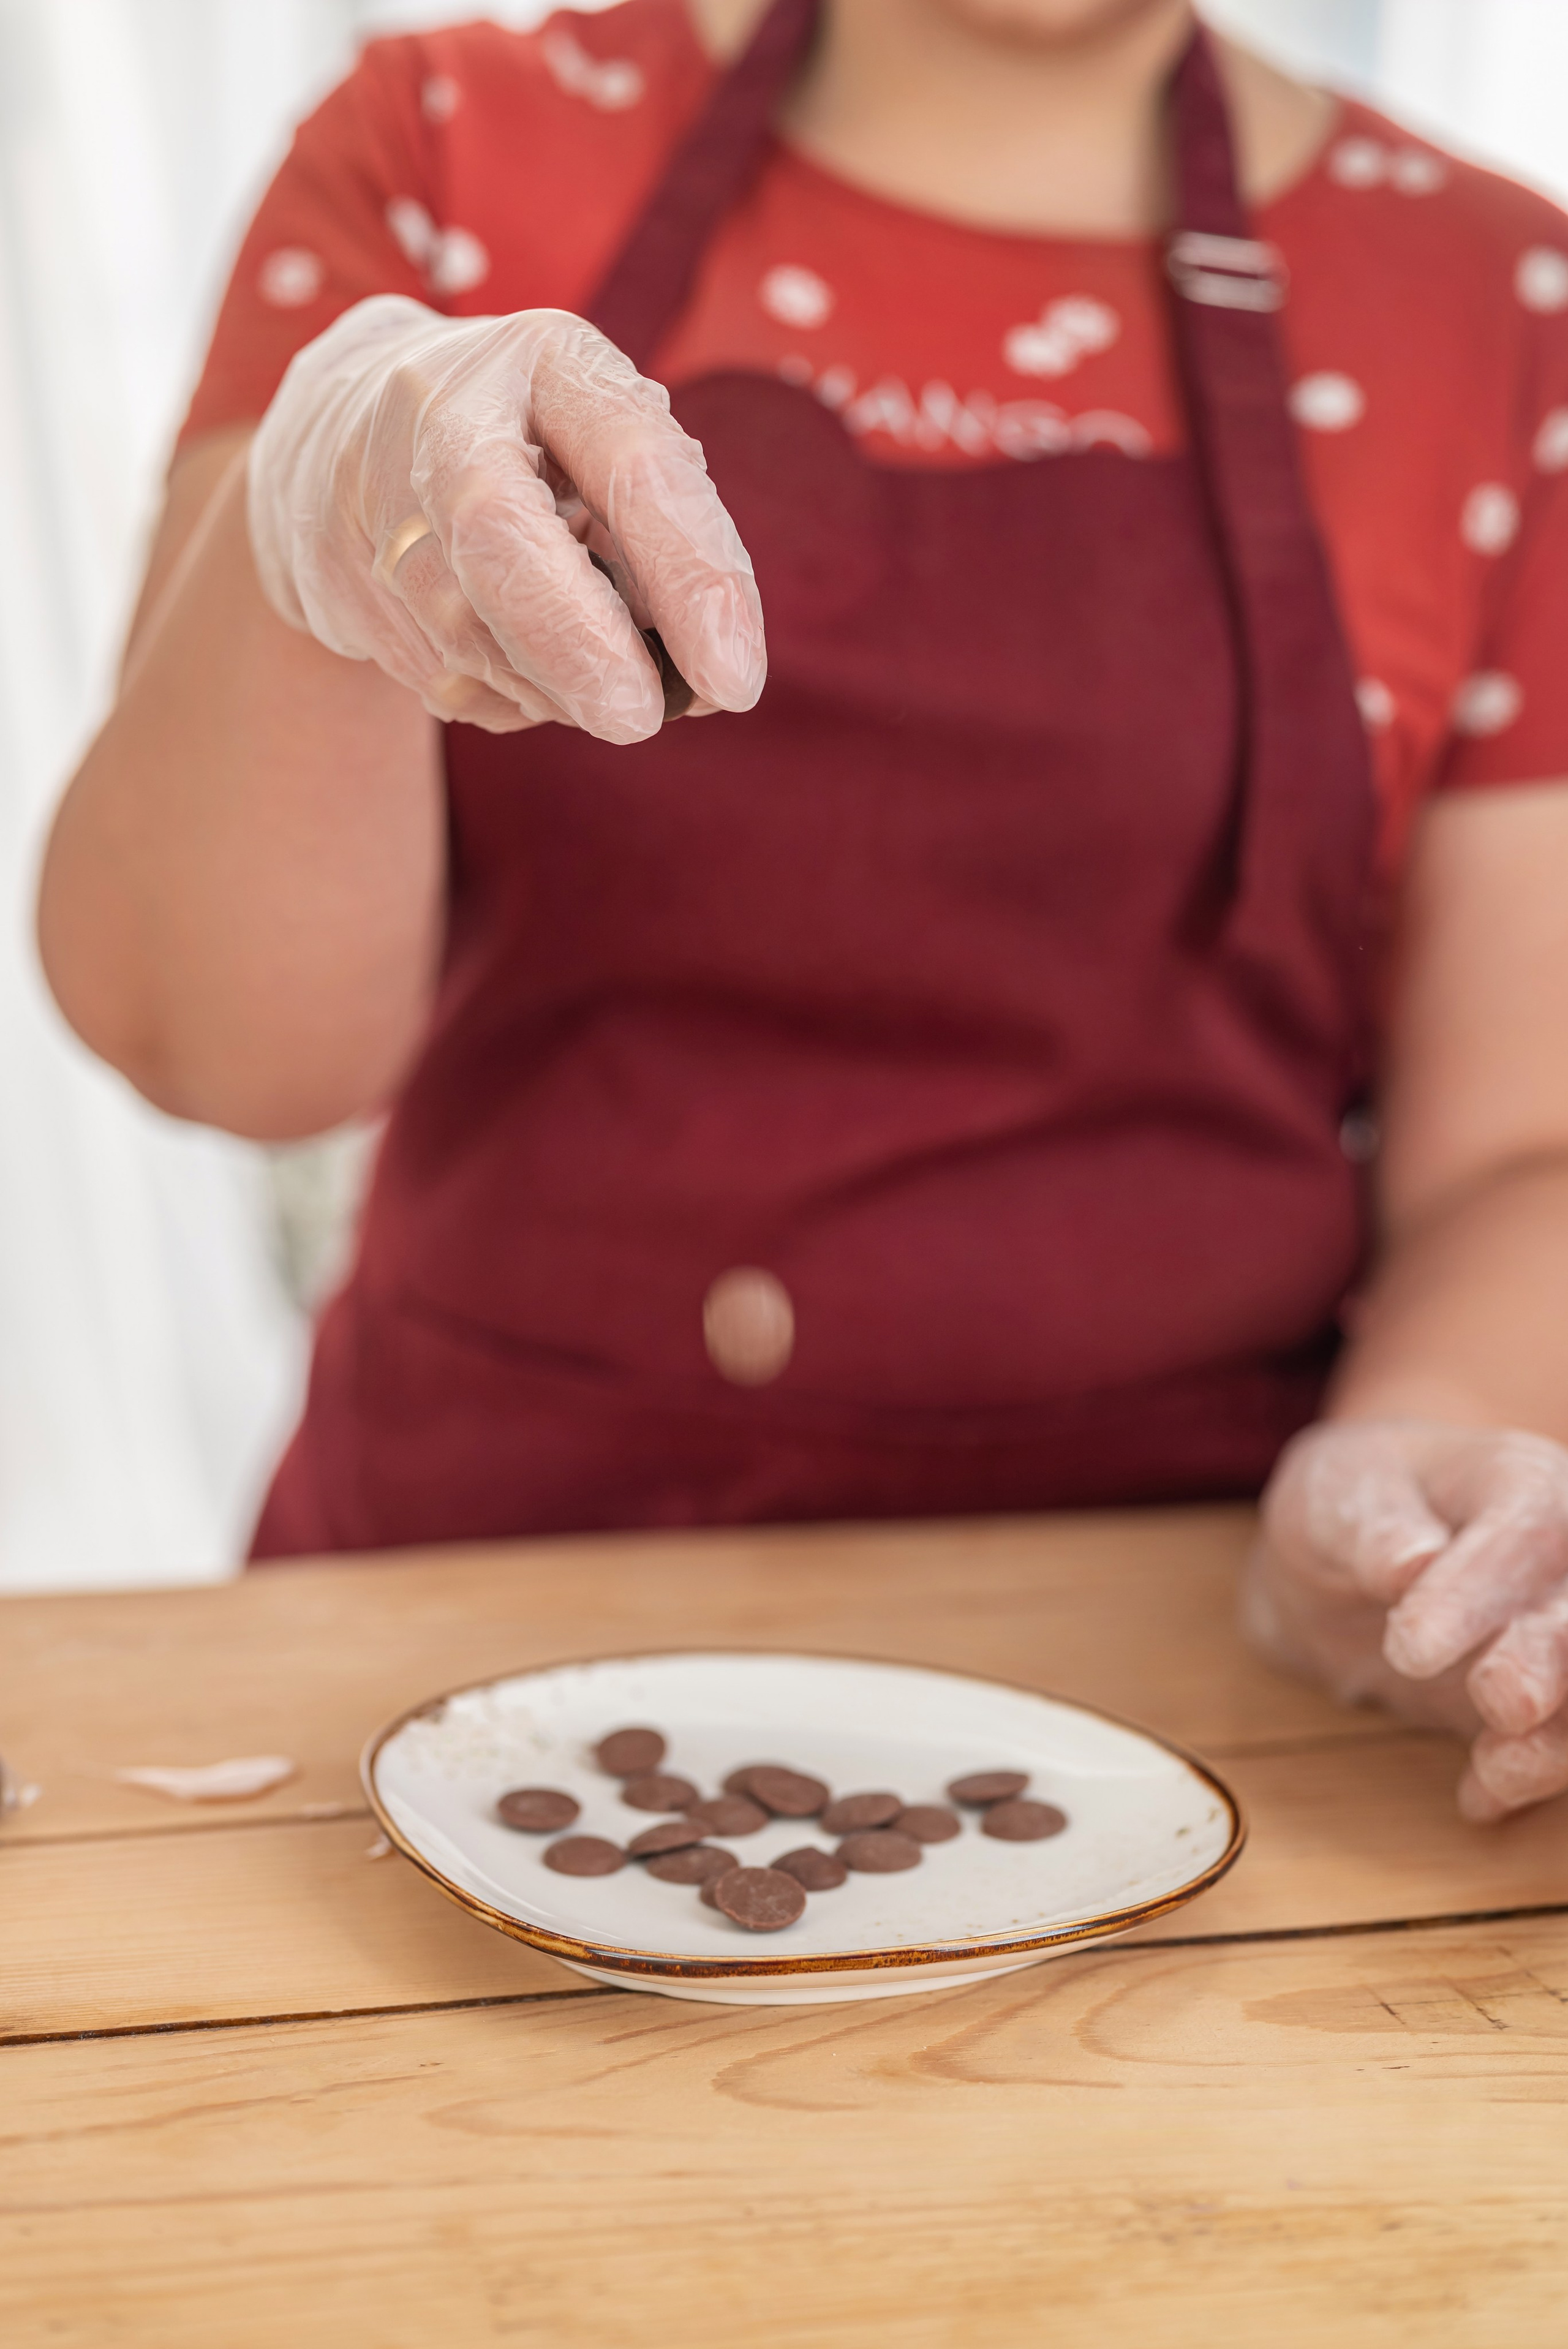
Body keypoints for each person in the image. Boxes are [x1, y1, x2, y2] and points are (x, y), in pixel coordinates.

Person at [36, 0, 1568, 1822]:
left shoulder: (1493, 305)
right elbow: (218, 1045)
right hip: (453, 1653)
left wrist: (1419, 1460)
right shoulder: (443, 153)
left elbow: (1516, 1154)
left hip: (1178, 1706)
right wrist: (311, 530)